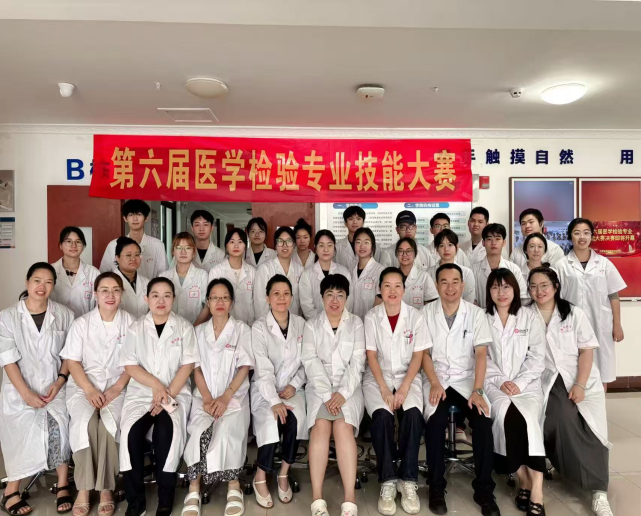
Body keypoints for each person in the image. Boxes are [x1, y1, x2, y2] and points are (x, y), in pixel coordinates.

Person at [528, 267, 613, 516]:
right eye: (533, 286)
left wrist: (580, 384)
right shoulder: (525, 314)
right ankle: (564, 466)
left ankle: (599, 491)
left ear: (556, 287)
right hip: (545, 378)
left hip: (579, 376)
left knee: (592, 428)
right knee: (559, 418)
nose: (539, 291)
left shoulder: (573, 313)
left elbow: (586, 350)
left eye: (544, 285)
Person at [422, 263, 499, 516]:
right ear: (436, 286)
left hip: (468, 381)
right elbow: (423, 353)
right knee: (435, 423)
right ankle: (436, 486)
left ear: (463, 285)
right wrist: (434, 381)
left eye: (455, 282)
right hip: (438, 379)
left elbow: (481, 354)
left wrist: (478, 389)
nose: (450, 287)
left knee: (483, 422)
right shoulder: (426, 313)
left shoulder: (475, 314)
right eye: (444, 282)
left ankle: (484, 489)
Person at [119, 278, 199, 516]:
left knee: (166, 432)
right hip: (142, 392)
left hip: (175, 392)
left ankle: (165, 497)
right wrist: (155, 386)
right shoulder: (136, 328)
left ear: (174, 298)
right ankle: (136, 500)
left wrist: (166, 395)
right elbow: (130, 365)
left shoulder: (184, 327)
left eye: (166, 295)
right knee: (131, 434)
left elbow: (187, 365)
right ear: (146, 299)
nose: (161, 300)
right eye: (155, 295)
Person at [0, 263, 75, 515]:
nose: (42, 287)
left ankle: (62, 484)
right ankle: (11, 491)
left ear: (54, 285)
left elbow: (70, 354)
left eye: (48, 282)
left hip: (55, 387)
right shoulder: (8, 316)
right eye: (37, 280)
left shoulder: (64, 314)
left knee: (61, 427)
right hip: (19, 390)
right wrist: (26, 394)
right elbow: (8, 360)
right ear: (27, 282)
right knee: (22, 434)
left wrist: (60, 381)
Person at [61, 272, 134, 516]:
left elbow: (135, 362)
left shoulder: (131, 323)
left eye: (115, 290)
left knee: (108, 426)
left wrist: (117, 387)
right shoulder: (81, 324)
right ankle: (83, 489)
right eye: (104, 290)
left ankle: (105, 489)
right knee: (85, 424)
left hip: (118, 386)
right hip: (84, 386)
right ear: (95, 294)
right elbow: (72, 362)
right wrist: (90, 389)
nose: (110, 295)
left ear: (122, 294)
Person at [182, 278, 253, 516]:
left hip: (234, 398)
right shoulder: (197, 332)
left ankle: (234, 485)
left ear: (232, 302)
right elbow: (196, 368)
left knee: (227, 431)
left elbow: (244, 367)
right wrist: (207, 398)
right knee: (198, 432)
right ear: (208, 302)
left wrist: (225, 397)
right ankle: (194, 488)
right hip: (204, 397)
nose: (219, 302)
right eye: (214, 297)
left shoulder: (242, 330)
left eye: (225, 297)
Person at [363, 267, 430, 516]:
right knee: (381, 417)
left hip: (407, 377)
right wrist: (384, 389)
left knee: (412, 416)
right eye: (387, 286)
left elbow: (418, 356)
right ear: (380, 289)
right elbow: (371, 356)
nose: (392, 291)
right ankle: (388, 480)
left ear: (404, 289)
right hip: (377, 377)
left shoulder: (415, 316)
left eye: (397, 286)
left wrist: (403, 388)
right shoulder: (371, 316)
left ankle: (408, 480)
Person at [484, 269, 546, 516]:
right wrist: (501, 381)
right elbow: (480, 357)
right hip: (494, 384)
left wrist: (519, 382)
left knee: (528, 419)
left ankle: (537, 488)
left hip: (527, 385)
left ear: (515, 290)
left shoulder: (529, 317)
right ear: (489, 291)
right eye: (495, 287)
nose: (501, 292)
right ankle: (523, 479)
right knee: (506, 417)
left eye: (506, 287)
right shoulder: (482, 318)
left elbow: (537, 356)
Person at [302, 274, 365, 516]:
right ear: (322, 298)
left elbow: (357, 362)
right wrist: (328, 394)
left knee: (343, 427)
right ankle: (317, 499)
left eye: (340, 295)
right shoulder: (312, 324)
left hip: (349, 388)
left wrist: (342, 393)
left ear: (347, 298)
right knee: (320, 426)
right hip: (320, 389)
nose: (335, 300)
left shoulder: (356, 323)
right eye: (330, 294)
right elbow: (310, 360)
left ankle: (349, 500)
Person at [251, 275, 307, 508]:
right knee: (272, 419)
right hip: (266, 390)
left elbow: (308, 361)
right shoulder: (258, 327)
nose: (281, 298)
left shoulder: (301, 325)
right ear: (267, 298)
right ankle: (260, 475)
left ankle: (284, 472)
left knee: (295, 419)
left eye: (286, 293)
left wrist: (294, 384)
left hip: (293, 389)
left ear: (292, 297)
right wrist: (274, 400)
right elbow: (262, 369)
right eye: (276, 293)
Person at [556, 218, 626, 389]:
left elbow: (613, 295)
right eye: (577, 233)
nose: (582, 237)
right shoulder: (561, 265)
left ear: (592, 236)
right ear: (570, 236)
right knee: (574, 367)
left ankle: (601, 404)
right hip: (571, 323)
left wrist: (617, 324)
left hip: (599, 323)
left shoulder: (604, 263)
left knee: (602, 368)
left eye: (586, 233)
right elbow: (556, 297)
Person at [100, 199, 168, 278]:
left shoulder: (157, 245)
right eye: (131, 215)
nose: (135, 219)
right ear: (125, 218)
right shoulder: (113, 245)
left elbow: (163, 275)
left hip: (149, 285)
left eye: (139, 214)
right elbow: (104, 274)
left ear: (146, 218)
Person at [299, 229, 352, 319]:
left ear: (334, 248)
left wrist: (336, 322)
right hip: (315, 324)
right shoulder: (307, 274)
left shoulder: (344, 272)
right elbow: (307, 307)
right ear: (315, 248)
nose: (326, 249)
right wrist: (322, 323)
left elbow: (349, 302)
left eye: (329, 245)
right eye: (321, 245)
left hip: (341, 323)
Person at [472, 224, 527, 308]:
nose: (493, 243)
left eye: (497, 239)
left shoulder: (514, 269)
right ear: (483, 243)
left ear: (504, 242)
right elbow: (471, 299)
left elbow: (522, 297)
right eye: (489, 239)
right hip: (481, 314)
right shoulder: (473, 270)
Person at [208, 228, 256, 326]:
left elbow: (255, 302)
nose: (236, 245)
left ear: (245, 246)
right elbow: (211, 301)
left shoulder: (252, 272)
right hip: (222, 325)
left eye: (240, 242)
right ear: (226, 246)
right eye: (232, 242)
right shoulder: (216, 272)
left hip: (248, 325)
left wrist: (252, 325)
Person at [160, 232, 210, 325]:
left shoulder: (202, 275)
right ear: (173, 251)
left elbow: (207, 306)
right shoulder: (163, 277)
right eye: (179, 248)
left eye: (188, 248)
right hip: (170, 328)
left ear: (194, 252)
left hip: (196, 327)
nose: (183, 252)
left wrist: (194, 328)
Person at [254, 226, 304, 318]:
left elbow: (302, 301)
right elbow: (260, 302)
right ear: (275, 245)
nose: (285, 245)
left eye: (289, 241)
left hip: (294, 321)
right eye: (280, 241)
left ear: (294, 245)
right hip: (270, 322)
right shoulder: (265, 269)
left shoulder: (300, 270)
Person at [51, 226, 101, 317]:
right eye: (68, 241)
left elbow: (99, 304)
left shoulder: (93, 273)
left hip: (85, 323)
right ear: (60, 245)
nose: (73, 245)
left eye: (78, 242)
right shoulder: (50, 271)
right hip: (57, 323)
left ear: (83, 246)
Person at [427, 229, 476, 304]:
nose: (446, 249)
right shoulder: (428, 274)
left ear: (457, 247)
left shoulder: (466, 273)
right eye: (441, 245)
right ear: (436, 249)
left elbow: (469, 301)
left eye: (450, 245)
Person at [350, 227, 385, 321]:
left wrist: (369, 322)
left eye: (366, 242)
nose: (362, 246)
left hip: (371, 322)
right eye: (358, 242)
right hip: (352, 323)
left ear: (372, 246)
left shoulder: (380, 271)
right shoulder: (350, 270)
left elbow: (380, 300)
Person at [394, 238, 439, 310]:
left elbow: (431, 305)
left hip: (418, 316)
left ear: (415, 253)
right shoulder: (391, 276)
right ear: (396, 254)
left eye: (408, 251)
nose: (404, 254)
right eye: (401, 251)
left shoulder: (424, 276)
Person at [113, 237, 150, 319]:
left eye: (137, 255)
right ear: (117, 258)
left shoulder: (147, 282)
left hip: (143, 325)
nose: (133, 259)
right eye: (128, 255)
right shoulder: (109, 282)